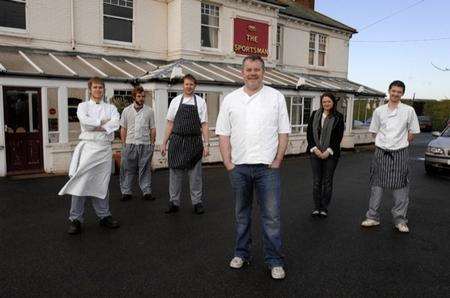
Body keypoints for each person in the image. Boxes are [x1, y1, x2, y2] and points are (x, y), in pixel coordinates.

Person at [216, 55, 291, 280]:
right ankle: (241, 253)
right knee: (242, 214)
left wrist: (278, 159)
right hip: (239, 167)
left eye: (256, 69)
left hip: (267, 167)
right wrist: (228, 162)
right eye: (248, 69)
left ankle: (275, 260)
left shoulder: (276, 97)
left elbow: (283, 132)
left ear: (263, 72)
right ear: (242, 72)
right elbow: (223, 133)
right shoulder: (230, 99)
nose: (252, 73)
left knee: (272, 217)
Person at [59, 77, 120, 235]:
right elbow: (85, 124)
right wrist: (102, 122)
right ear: (90, 89)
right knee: (80, 182)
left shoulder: (111, 108)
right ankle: (76, 219)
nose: (98, 90)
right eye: (95, 87)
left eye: (101, 87)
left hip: (104, 149)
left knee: (102, 182)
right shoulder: (82, 105)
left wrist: (97, 125)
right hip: (88, 148)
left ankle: (104, 216)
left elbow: (115, 124)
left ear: (103, 89)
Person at [361, 80, 420, 233]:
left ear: (402, 94)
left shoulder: (409, 110)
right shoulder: (379, 111)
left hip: (400, 153)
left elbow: (412, 132)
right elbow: (374, 131)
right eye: (393, 91)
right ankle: (372, 217)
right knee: (376, 186)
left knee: (401, 187)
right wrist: (384, 143)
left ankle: (400, 220)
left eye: (399, 92)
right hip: (381, 152)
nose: (395, 94)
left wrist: (399, 144)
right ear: (389, 91)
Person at [161, 74, 209, 215]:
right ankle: (174, 202)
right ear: (183, 85)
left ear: (195, 86)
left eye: (191, 84)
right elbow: (169, 123)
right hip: (176, 141)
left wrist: (206, 144)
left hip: (194, 142)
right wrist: (164, 143)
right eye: (186, 84)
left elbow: (205, 125)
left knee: (195, 175)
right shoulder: (175, 101)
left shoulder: (201, 102)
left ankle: (197, 202)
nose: (189, 87)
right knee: (175, 173)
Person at [306, 92, 345, 218]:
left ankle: (324, 208)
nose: (326, 104)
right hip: (315, 152)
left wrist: (328, 151)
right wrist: (315, 149)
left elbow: (338, 137)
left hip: (331, 154)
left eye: (328, 101)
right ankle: (317, 207)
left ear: (333, 102)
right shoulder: (314, 115)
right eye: (324, 102)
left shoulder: (338, 117)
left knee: (327, 182)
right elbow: (309, 133)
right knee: (317, 181)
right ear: (321, 103)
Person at [119, 85, 156, 201]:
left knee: (145, 169)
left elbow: (152, 129)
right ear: (134, 97)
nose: (141, 98)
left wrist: (152, 144)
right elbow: (123, 128)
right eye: (139, 96)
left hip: (145, 144)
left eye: (143, 96)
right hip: (130, 144)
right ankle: (126, 192)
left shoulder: (149, 111)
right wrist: (124, 144)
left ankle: (146, 192)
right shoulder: (126, 111)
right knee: (127, 169)